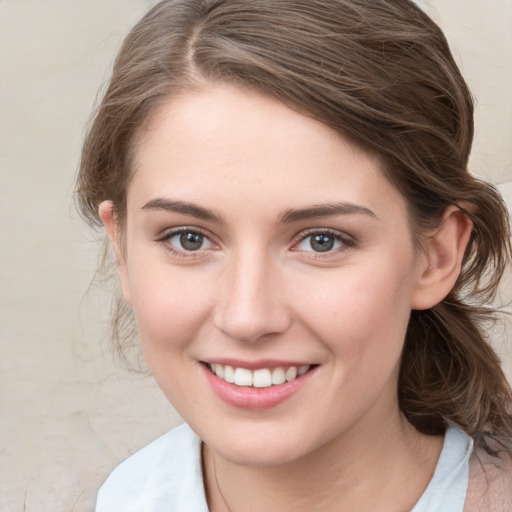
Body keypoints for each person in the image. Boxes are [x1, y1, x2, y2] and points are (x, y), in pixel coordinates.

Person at [75, 0, 512, 510]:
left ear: (436, 256)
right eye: (188, 238)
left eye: (321, 240)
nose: (247, 317)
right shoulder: (125, 499)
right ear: (122, 250)